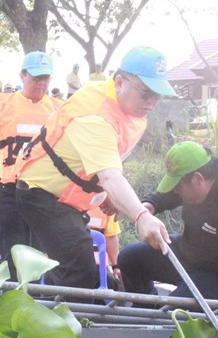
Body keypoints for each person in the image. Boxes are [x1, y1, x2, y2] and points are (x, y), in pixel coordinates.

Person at [14, 46, 172, 289]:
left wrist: (107, 194)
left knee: (75, 267)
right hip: (41, 193)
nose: (151, 102)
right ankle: (73, 325)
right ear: (120, 82)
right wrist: (141, 215)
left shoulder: (127, 111)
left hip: (68, 200)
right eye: (145, 93)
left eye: (157, 95)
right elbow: (109, 175)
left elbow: (105, 164)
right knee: (79, 266)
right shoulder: (95, 115)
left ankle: (61, 316)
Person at [117, 141, 218, 302]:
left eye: (177, 186)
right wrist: (150, 204)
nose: (175, 191)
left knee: (172, 310)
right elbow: (170, 194)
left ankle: (160, 319)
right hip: (189, 253)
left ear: (197, 179)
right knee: (129, 258)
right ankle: (146, 313)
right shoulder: (199, 179)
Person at [0, 52, 57, 268]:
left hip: (44, 194)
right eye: (36, 77)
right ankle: (12, 299)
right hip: (9, 192)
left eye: (46, 78)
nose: (41, 83)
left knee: (38, 258)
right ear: (22, 76)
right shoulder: (1, 105)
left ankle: (34, 299)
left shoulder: (58, 110)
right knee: (12, 257)